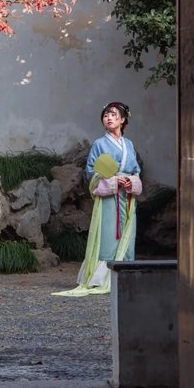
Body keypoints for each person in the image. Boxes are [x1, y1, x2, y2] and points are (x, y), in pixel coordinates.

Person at [52, 101, 142, 296]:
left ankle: (125, 275)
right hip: (109, 197)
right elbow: (91, 172)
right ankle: (102, 278)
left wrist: (130, 182)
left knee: (128, 234)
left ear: (123, 119)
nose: (108, 118)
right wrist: (111, 181)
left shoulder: (129, 145)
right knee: (108, 235)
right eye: (106, 115)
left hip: (126, 197)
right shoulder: (100, 144)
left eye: (113, 115)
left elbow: (136, 170)